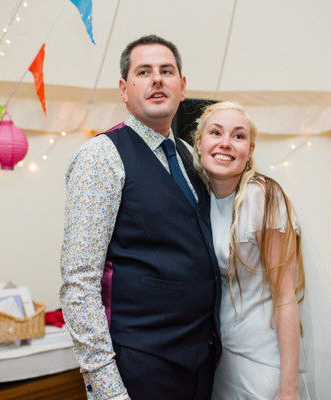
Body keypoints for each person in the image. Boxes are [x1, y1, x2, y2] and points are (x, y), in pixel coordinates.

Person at [60, 35, 221, 400]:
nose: (157, 79)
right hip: (139, 365)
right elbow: (79, 282)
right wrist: (107, 388)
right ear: (124, 88)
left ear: (183, 87)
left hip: (200, 362)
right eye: (144, 72)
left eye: (167, 71)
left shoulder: (187, 154)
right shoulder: (100, 157)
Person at [192, 101, 331, 400]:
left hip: (264, 361)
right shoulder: (200, 199)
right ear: (199, 143)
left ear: (251, 150)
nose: (226, 143)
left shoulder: (264, 198)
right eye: (216, 132)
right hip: (221, 358)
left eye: (239, 136)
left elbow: (285, 297)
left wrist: (289, 386)